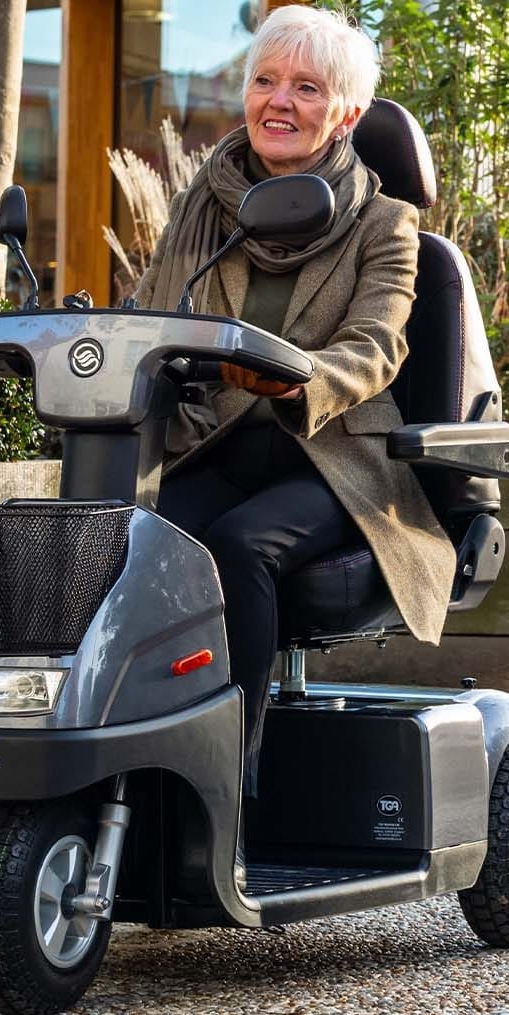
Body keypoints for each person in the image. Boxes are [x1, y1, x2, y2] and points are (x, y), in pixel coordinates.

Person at [133, 6, 456, 812]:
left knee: (239, 546)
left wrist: (293, 379)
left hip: (337, 459)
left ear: (344, 114)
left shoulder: (387, 223)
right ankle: (132, 766)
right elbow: (150, 313)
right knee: (137, 533)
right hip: (215, 444)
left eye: (306, 87)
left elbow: (375, 345)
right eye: (264, 81)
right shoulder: (203, 206)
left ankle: (227, 782)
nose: (278, 101)